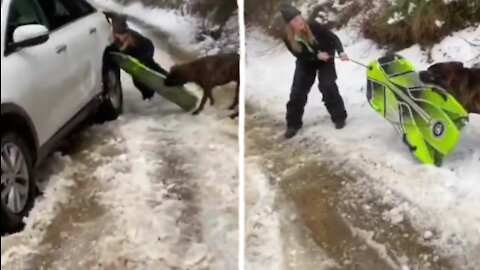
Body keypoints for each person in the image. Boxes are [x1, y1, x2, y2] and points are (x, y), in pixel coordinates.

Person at [279, 4, 350, 139]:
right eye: (295, 20)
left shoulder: (314, 26)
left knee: (327, 85)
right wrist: (314, 56)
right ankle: (293, 124)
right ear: (289, 25)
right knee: (298, 90)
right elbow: (297, 54)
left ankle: (339, 117)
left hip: (326, 57)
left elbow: (333, 38)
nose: (300, 21)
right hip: (306, 61)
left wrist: (341, 52)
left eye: (300, 18)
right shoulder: (288, 37)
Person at [105, 15, 169, 100]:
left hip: (145, 50)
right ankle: (149, 94)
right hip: (140, 53)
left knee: (147, 71)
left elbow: (123, 46)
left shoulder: (126, 35)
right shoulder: (114, 37)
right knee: (140, 77)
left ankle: (167, 81)